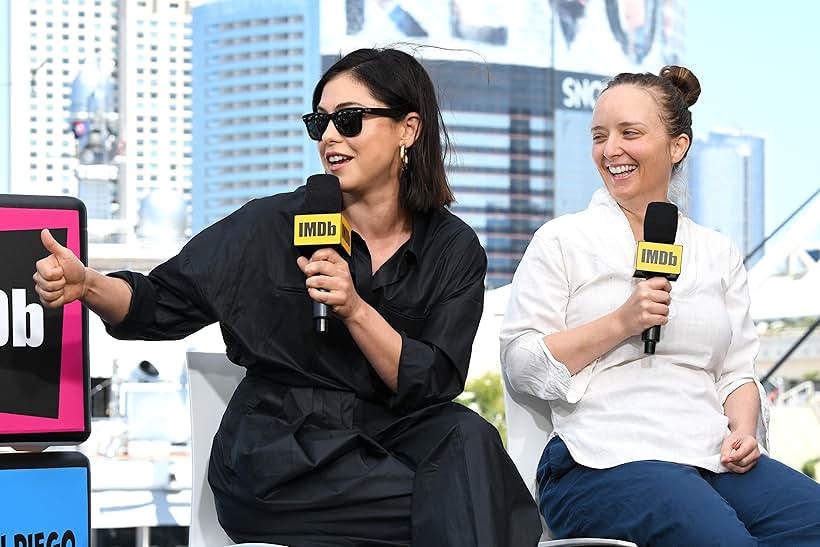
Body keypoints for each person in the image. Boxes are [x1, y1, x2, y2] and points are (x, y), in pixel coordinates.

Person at [34, 47, 542, 547]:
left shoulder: (452, 247)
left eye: (348, 119)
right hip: (282, 455)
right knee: (479, 503)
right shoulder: (267, 226)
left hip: (391, 439)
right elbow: (158, 301)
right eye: (318, 122)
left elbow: (433, 381)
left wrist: (355, 309)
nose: (329, 137)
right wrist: (90, 285)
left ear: (408, 130)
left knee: (468, 438)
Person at [500, 65, 820, 546]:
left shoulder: (717, 252)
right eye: (599, 136)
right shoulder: (563, 240)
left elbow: (735, 373)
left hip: (709, 456)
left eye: (630, 133)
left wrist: (745, 430)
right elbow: (520, 361)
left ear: (677, 146)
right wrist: (621, 322)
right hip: (600, 460)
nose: (611, 150)